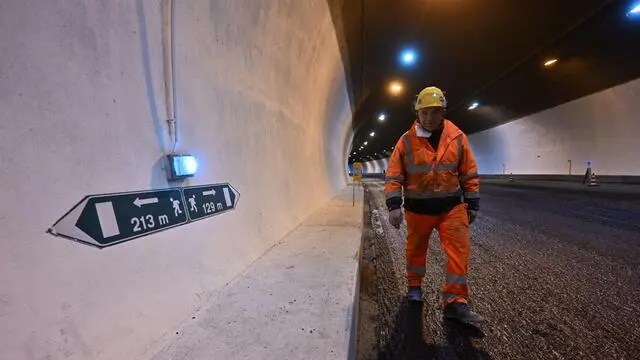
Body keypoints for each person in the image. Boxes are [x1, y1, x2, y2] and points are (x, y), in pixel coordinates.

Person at [384, 86, 482, 324]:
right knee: (416, 250)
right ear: (417, 113)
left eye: (435, 112)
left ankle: (455, 302)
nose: (429, 118)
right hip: (418, 210)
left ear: (443, 112)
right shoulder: (406, 142)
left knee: (460, 251)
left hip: (451, 208)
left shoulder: (457, 138)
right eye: (424, 112)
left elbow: (468, 172)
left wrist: (472, 202)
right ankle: (415, 286)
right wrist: (394, 205)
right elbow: (394, 175)